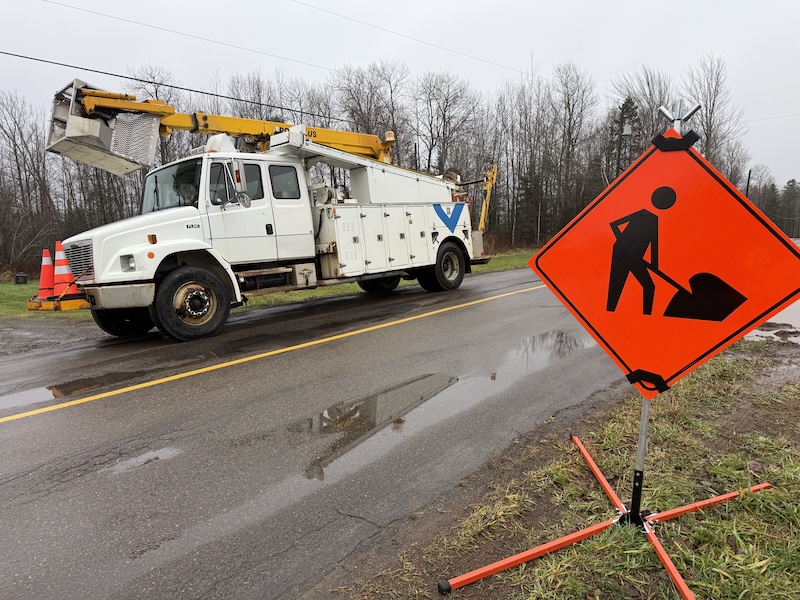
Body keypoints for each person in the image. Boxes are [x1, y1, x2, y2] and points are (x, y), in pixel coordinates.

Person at [606, 186, 676, 315]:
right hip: (620, 252)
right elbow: (614, 224)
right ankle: (610, 313)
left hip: (635, 257)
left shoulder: (655, 220)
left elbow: (654, 246)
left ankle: (646, 317)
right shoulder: (641, 213)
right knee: (616, 285)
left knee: (649, 286)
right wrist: (623, 243)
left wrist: (655, 267)